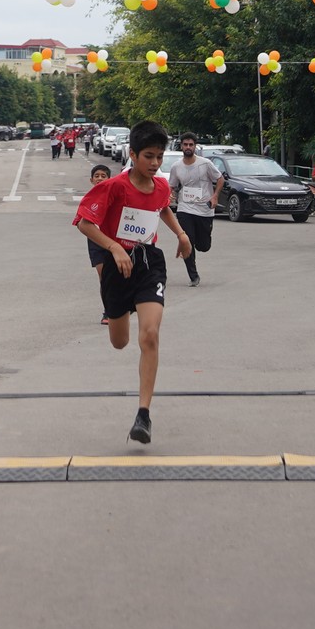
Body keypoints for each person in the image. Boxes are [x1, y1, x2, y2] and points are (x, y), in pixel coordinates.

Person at [74, 120, 193, 445]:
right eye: (148, 156)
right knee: (120, 341)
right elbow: (85, 223)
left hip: (148, 263)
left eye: (159, 157)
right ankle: (123, 308)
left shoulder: (161, 186)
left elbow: (162, 208)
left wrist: (181, 235)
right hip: (116, 267)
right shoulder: (113, 186)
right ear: (133, 154)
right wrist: (114, 247)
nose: (155, 163)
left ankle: (143, 415)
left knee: (150, 335)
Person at [167, 135, 221, 285]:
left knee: (203, 246)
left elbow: (220, 178)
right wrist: (169, 194)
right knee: (187, 240)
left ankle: (198, 239)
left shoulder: (205, 164)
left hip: (204, 210)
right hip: (185, 208)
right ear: (181, 146)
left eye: (191, 144)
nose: (188, 147)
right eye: (185, 144)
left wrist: (215, 196)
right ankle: (193, 276)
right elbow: (171, 185)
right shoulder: (176, 166)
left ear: (195, 146)